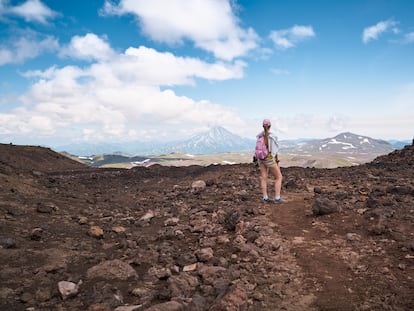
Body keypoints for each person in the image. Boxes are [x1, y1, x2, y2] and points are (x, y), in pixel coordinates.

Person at [256, 119, 288, 203]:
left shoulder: (259, 136)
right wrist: (276, 160)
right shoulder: (272, 137)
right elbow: (274, 151)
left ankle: (265, 197)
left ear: (263, 126)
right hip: (269, 159)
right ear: (270, 126)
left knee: (264, 177)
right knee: (279, 177)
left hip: (261, 159)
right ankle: (277, 197)